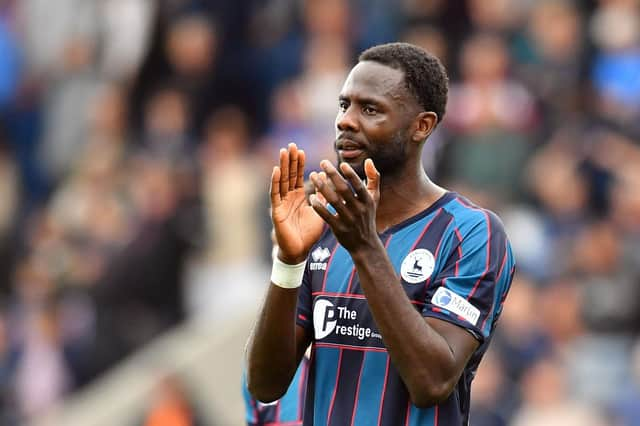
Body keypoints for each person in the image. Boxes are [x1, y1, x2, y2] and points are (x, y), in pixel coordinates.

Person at [246, 42, 515, 425]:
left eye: (370, 109)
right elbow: (265, 384)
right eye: (344, 105)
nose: (346, 121)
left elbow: (433, 382)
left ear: (422, 126)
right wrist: (288, 262)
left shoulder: (471, 232)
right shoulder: (325, 224)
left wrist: (365, 247)